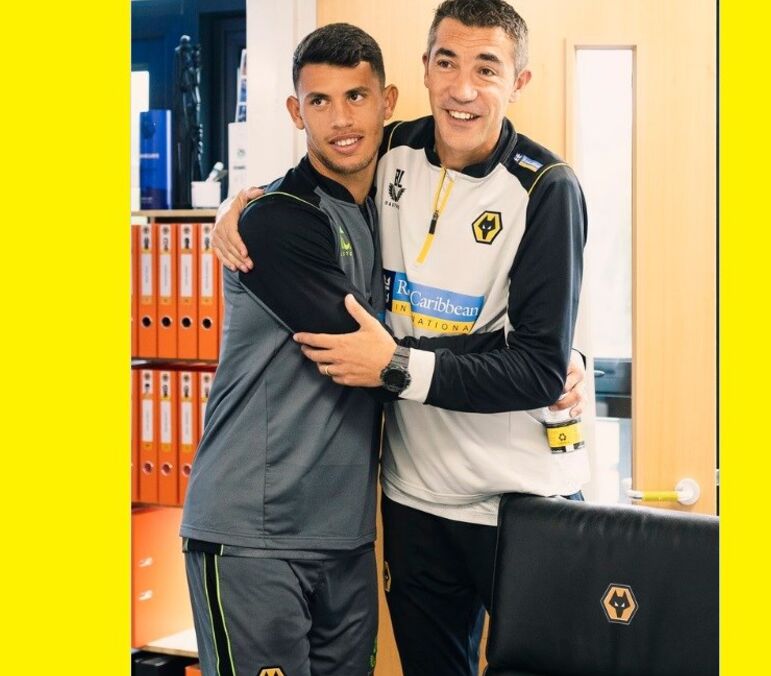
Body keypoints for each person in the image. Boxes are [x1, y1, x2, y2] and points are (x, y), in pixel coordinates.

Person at [211, 2, 590, 675]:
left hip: (522, 501)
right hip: (414, 501)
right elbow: (325, 158)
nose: (463, 88)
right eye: (447, 63)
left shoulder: (547, 188)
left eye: (486, 68)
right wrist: (239, 204)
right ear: (423, 72)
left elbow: (538, 367)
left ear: (519, 81)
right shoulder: (393, 151)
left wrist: (550, 358)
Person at [179, 25, 395, 676]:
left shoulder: (389, 204)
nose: (341, 120)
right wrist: (520, 364)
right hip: (252, 534)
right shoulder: (274, 220)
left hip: (344, 535)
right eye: (320, 101)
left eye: (357, 97)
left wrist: (563, 358)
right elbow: (365, 355)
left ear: (387, 103)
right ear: (296, 112)